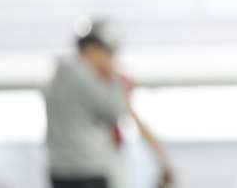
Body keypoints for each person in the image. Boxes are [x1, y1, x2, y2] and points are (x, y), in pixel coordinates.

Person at [43, 19, 174, 188]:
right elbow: (116, 110)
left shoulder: (59, 75)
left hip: (59, 170)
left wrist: (162, 156)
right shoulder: (83, 76)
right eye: (109, 54)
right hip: (89, 170)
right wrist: (114, 79)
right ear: (94, 49)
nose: (110, 60)